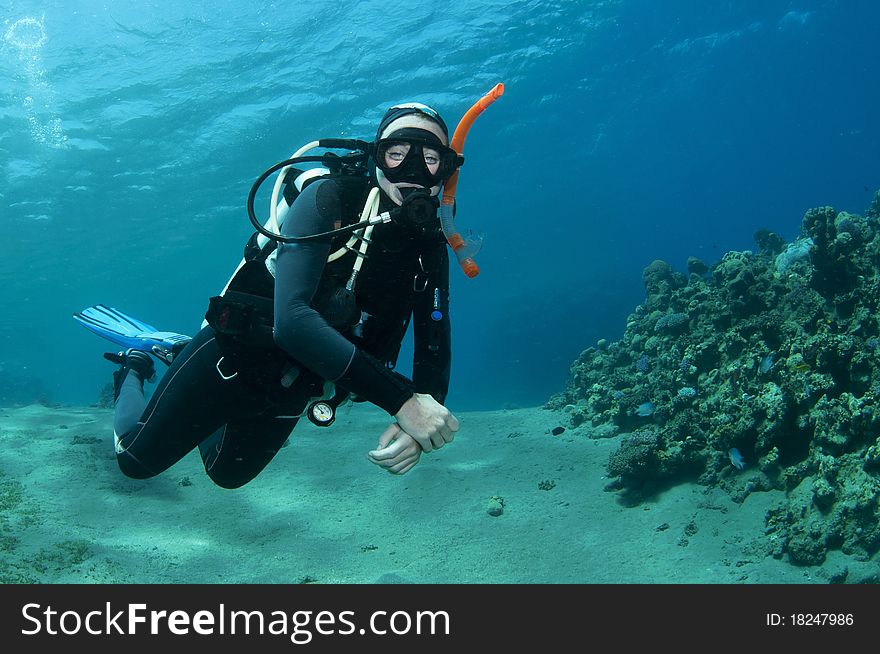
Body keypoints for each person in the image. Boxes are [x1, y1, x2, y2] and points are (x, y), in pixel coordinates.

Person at [105, 102, 466, 488]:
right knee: (135, 461)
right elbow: (292, 321)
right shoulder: (328, 199)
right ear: (376, 159)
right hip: (234, 358)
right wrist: (404, 403)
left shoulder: (430, 244)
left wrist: (421, 422)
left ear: (446, 170)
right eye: (396, 154)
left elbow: (434, 343)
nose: (411, 170)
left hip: (299, 386)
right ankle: (138, 366)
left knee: (227, 476)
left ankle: (178, 356)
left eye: (430, 158)